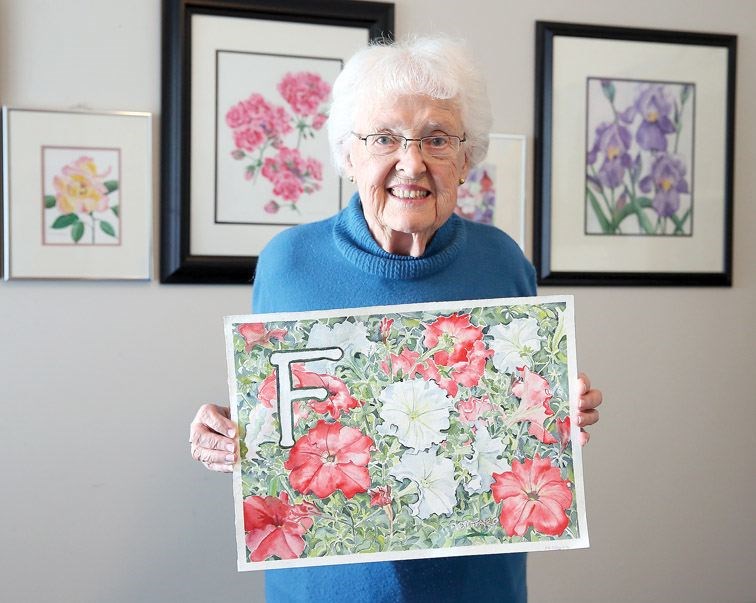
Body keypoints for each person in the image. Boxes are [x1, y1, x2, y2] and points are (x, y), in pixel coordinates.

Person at [190, 36, 602, 603]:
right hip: (328, 585)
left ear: (466, 157)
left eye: (437, 138)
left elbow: (517, 410)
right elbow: (282, 403)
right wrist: (226, 431)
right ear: (348, 154)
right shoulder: (289, 263)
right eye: (385, 138)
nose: (412, 162)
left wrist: (555, 407)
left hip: (476, 585)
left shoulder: (502, 261)